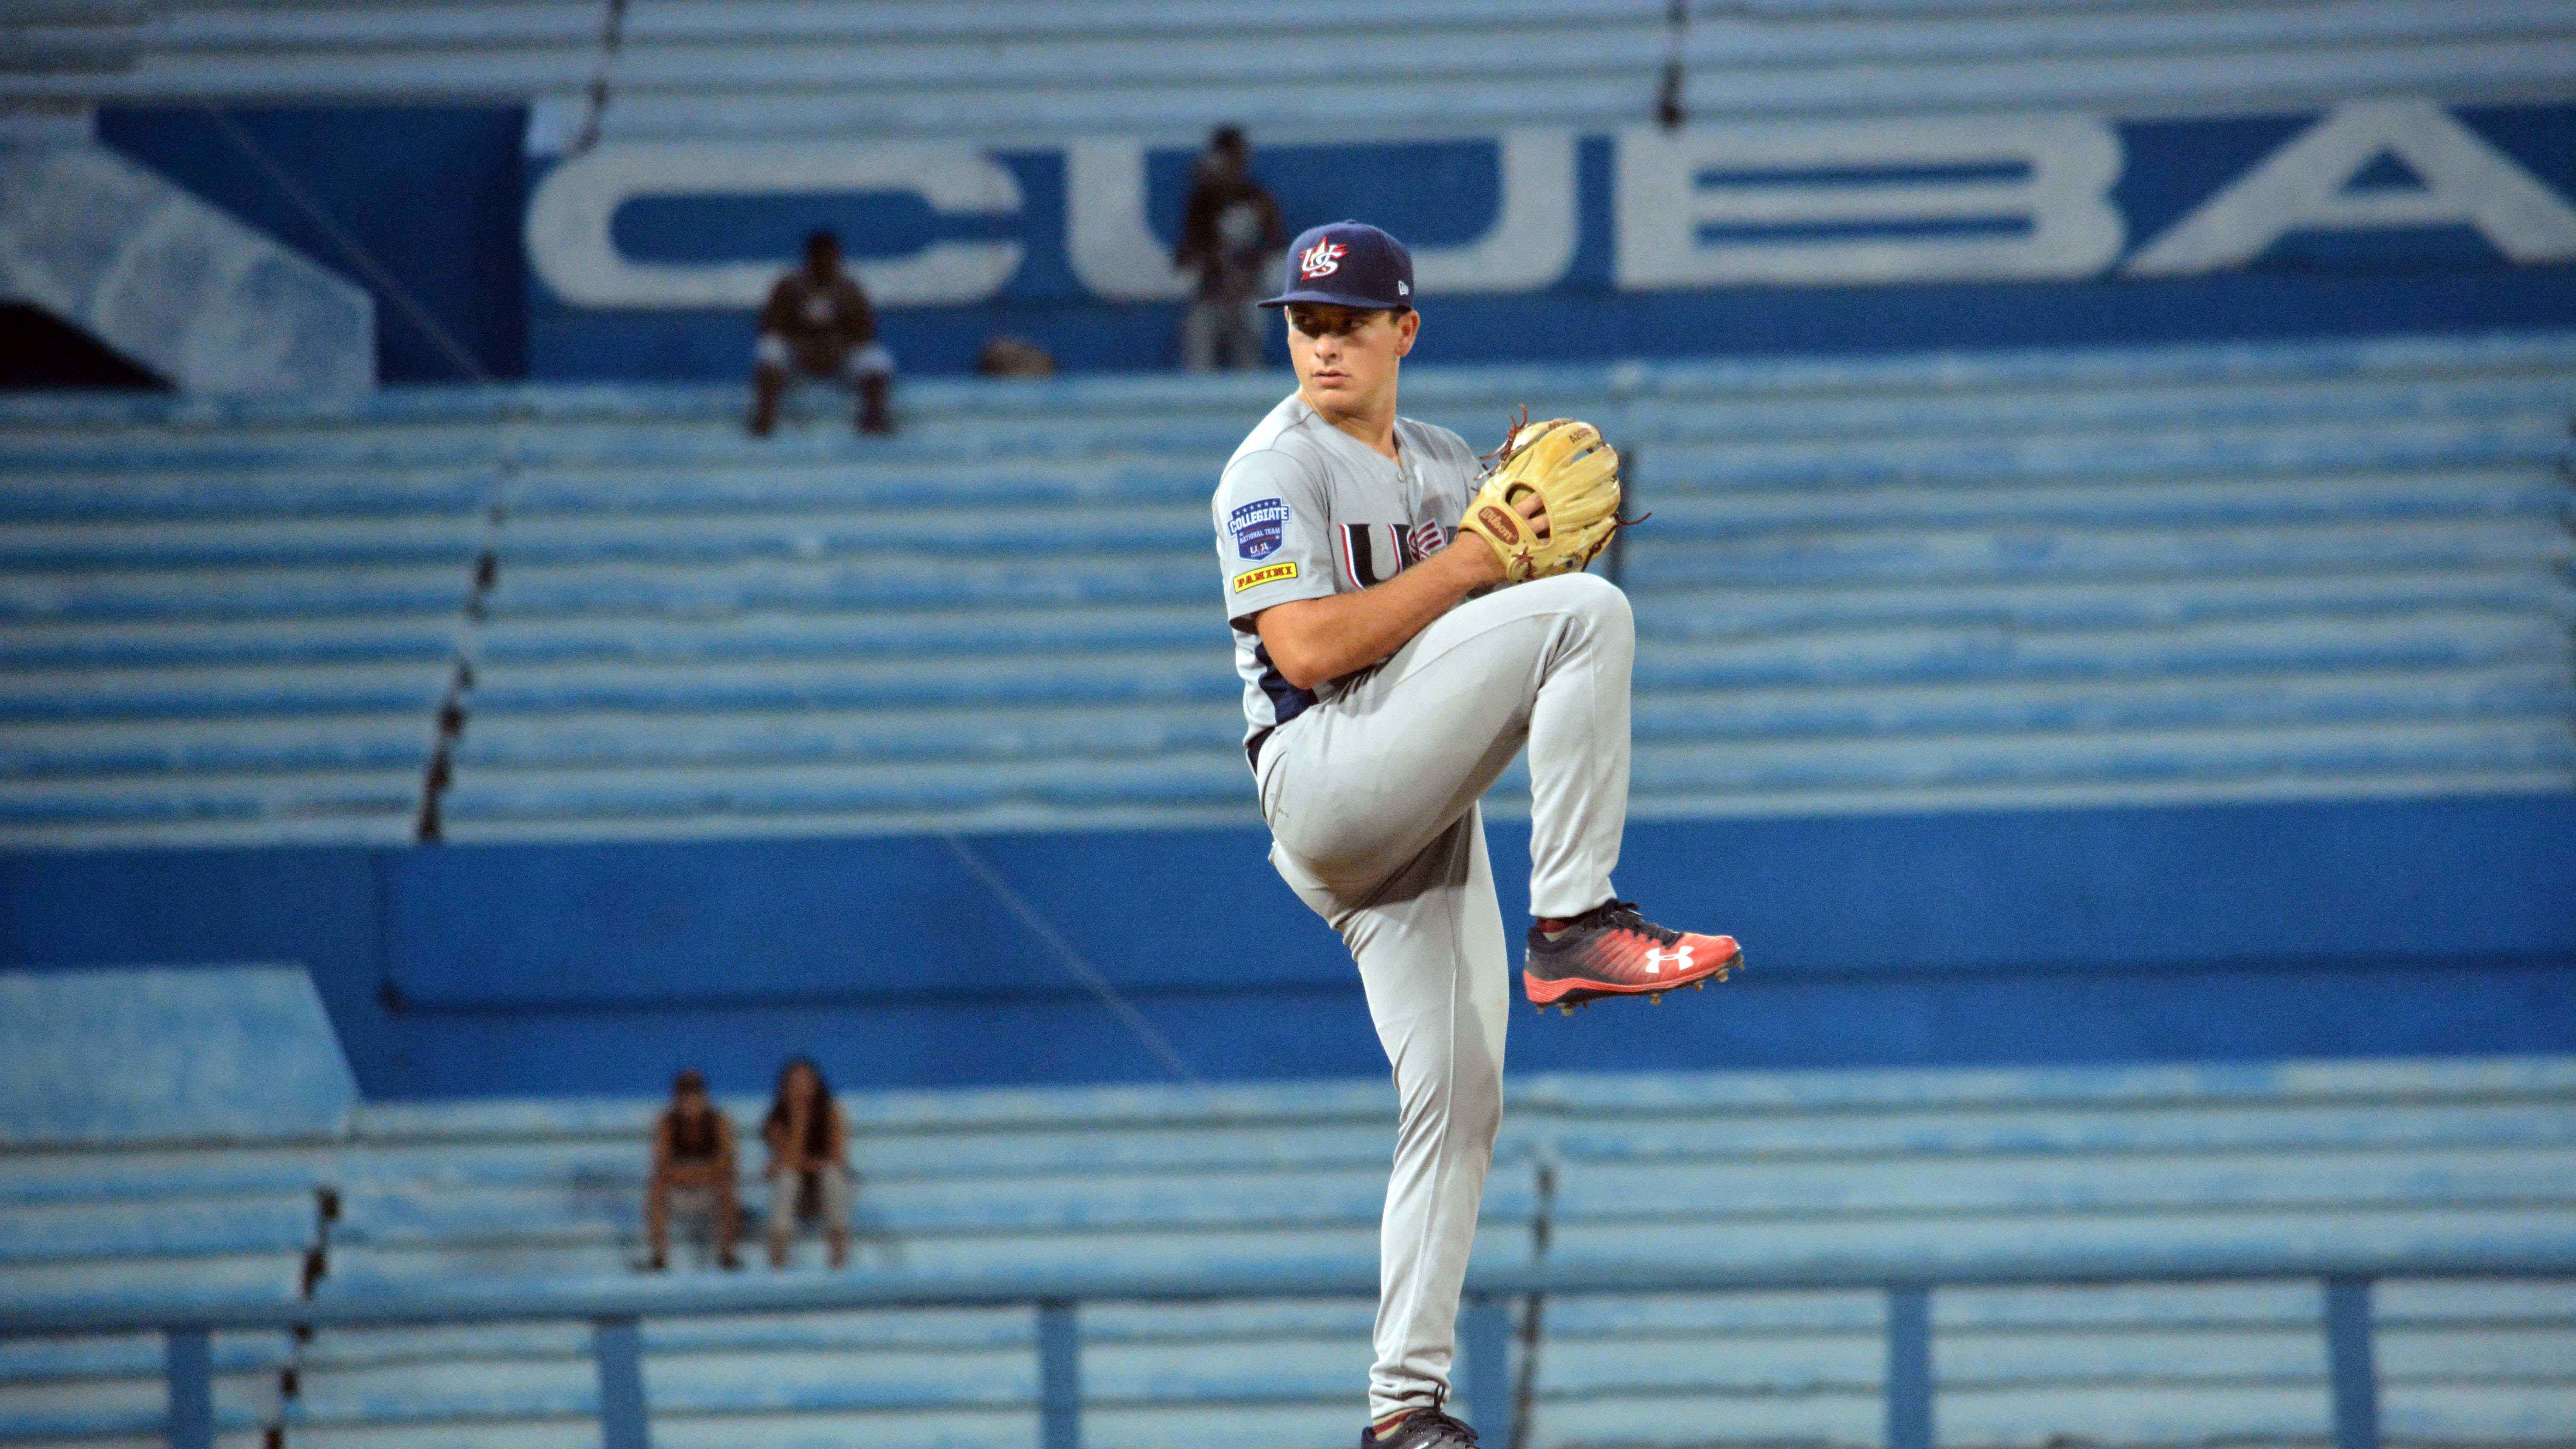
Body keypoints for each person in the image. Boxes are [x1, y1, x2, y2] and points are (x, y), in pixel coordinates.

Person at [1210, 221, 1743, 1448]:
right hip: (1324, 777)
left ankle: (1403, 1409)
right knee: (1588, 618)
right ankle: (1572, 917)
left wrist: (1523, 545)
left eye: (1349, 321)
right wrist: (1478, 565)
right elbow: (1305, 651)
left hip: (1416, 800)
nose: (1323, 341)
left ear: (1406, 329)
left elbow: (1512, 589)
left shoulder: (1447, 462)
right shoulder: (1268, 469)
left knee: (1460, 1093)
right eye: (1305, 320)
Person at [750, 230, 894, 436]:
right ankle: (764, 417)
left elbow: (866, 333)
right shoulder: (789, 287)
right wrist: (803, 346)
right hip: (798, 360)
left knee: (876, 360)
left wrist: (838, 348)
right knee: (769, 351)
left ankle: (875, 417)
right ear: (810, 257)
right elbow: (770, 327)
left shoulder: (850, 289)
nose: (826, 263)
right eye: (820, 257)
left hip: (840, 360)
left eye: (831, 257)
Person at [1173, 126, 1285, 373]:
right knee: (1198, 354)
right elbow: (1187, 254)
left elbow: (1278, 245)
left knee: (1249, 361)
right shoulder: (1202, 201)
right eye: (1225, 159)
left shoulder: (1258, 199)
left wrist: (1252, 260)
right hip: (1211, 295)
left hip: (1247, 292)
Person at [760, 1057, 853, 1269]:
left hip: (824, 1194)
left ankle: (838, 1254)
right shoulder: (776, 1119)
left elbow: (838, 1159)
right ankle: (778, 1258)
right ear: (785, 1087)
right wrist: (799, 1122)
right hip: (796, 1197)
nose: (802, 1089)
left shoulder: (831, 1113)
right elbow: (786, 1161)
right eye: (796, 1083)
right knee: (787, 1180)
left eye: (807, 1081)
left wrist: (803, 1164)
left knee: (832, 1176)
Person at [643, 1069, 739, 1271]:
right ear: (677, 1098)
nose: (691, 1102)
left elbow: (727, 1162)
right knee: (656, 1187)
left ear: (704, 1097)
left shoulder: (719, 1122)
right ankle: (658, 1257)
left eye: (695, 1095)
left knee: (728, 1186)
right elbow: (661, 1164)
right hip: (680, 1191)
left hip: (709, 1191)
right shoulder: (667, 1124)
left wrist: (700, 1175)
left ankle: (727, 1255)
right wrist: (690, 1176)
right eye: (685, 1096)